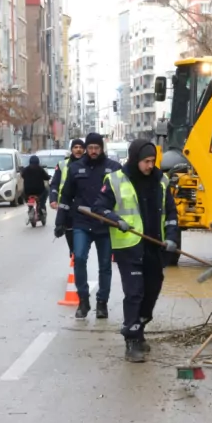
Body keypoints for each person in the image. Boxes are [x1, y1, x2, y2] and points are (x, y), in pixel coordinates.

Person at [94, 139, 179, 362]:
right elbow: (99, 208)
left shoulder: (161, 180)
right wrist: (115, 219)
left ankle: (139, 327)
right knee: (134, 293)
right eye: (146, 161)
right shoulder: (115, 180)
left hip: (154, 246)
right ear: (135, 159)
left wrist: (171, 238)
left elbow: (171, 213)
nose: (150, 165)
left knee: (151, 292)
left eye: (153, 161)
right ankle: (131, 339)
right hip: (129, 248)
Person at [54, 133, 122, 320]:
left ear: (101, 149)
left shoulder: (114, 168)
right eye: (90, 148)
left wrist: (119, 219)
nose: (93, 151)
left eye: (96, 148)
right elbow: (66, 197)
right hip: (81, 222)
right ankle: (83, 300)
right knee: (80, 257)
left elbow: (123, 195)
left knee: (105, 265)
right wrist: (60, 221)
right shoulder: (75, 168)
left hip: (105, 224)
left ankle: (102, 303)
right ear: (86, 149)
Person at [49, 139, 86, 258]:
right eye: (75, 147)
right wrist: (53, 199)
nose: (78, 149)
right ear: (71, 150)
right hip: (67, 205)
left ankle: (79, 255)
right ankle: (73, 253)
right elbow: (54, 184)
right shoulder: (62, 164)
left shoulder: (88, 165)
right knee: (69, 232)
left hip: (85, 206)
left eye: (81, 147)